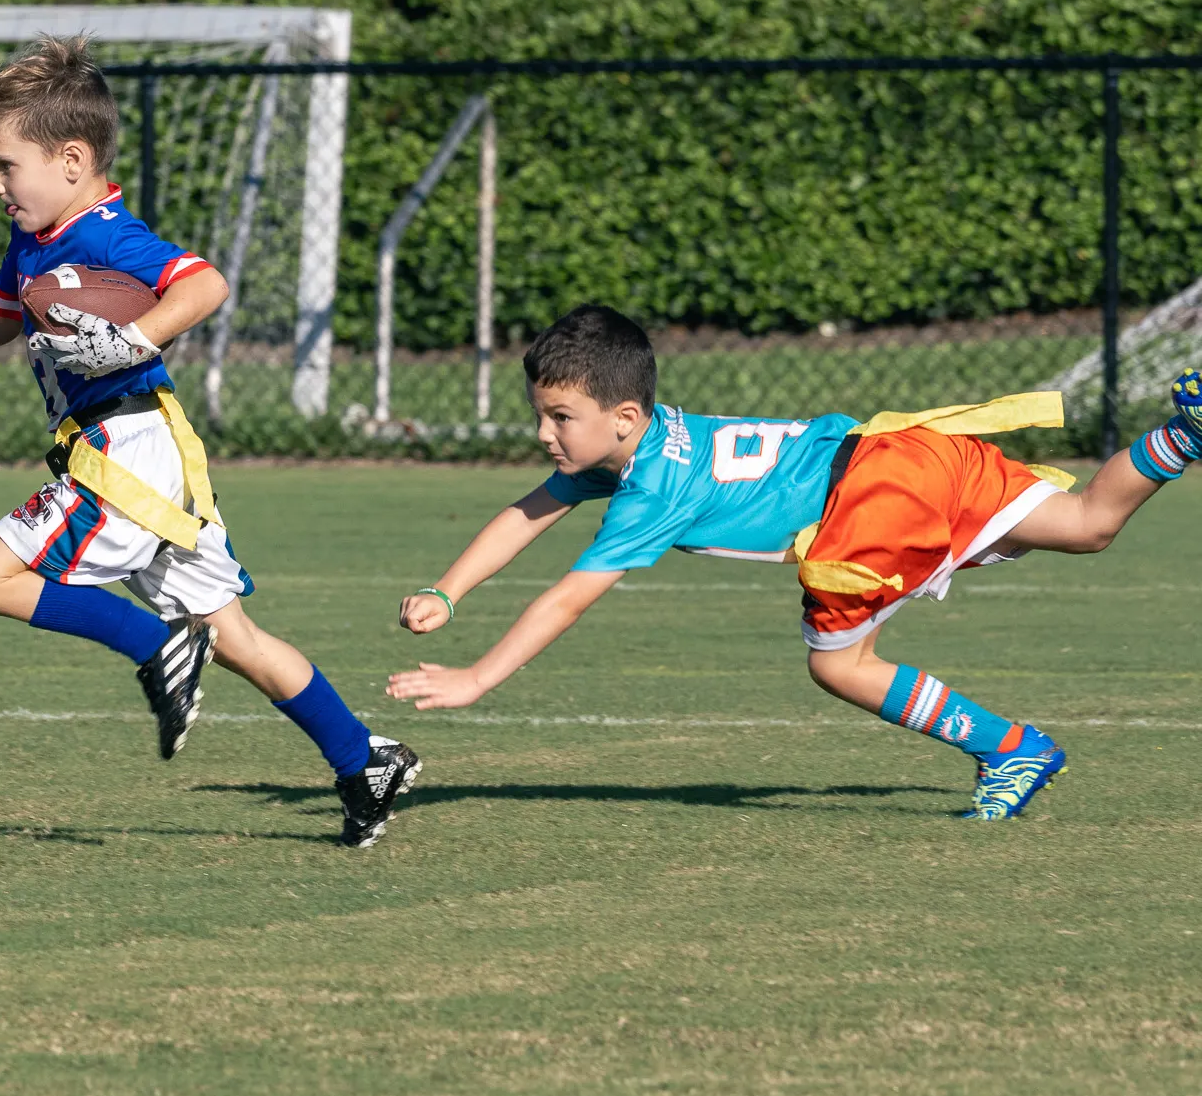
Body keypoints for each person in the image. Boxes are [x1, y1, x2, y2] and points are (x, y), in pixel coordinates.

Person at [0, 35, 419, 845]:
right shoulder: (37, 240)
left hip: (128, 448)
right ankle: (364, 756)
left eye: (6, 166)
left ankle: (158, 648)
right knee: (237, 639)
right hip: (149, 453)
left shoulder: (107, 234)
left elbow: (204, 283)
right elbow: (1, 314)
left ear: (72, 161)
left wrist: (135, 339)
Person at [389, 302, 1202, 820]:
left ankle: (1011, 747)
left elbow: (569, 596)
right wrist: (447, 590)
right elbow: (533, 508)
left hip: (870, 508)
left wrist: (477, 678)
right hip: (900, 450)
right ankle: (1186, 433)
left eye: (560, 417)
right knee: (1089, 522)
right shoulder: (635, 441)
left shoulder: (652, 491)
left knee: (841, 666)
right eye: (544, 416)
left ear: (625, 414)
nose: (546, 435)